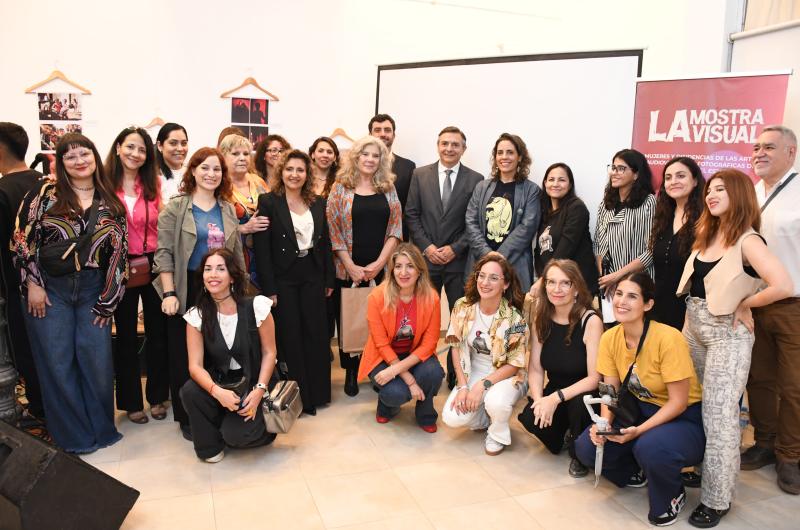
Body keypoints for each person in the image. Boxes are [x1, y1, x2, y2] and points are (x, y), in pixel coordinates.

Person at [676, 169, 793, 527]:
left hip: (727, 334)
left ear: (739, 194)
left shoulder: (749, 240)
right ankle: (704, 468)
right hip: (694, 329)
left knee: (720, 416)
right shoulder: (707, 233)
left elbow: (783, 284)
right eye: (709, 190)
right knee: (695, 405)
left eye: (720, 190)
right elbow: (697, 288)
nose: (711, 195)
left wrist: (747, 304)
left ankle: (717, 498)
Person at [13, 133, 127, 454]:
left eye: (84, 153)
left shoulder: (110, 201)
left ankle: (102, 431)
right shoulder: (45, 193)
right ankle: (75, 438)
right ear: (61, 163)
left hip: (93, 290)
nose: (79, 161)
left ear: (95, 157)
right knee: (57, 364)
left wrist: (108, 301)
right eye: (70, 156)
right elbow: (21, 238)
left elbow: (119, 254)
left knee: (97, 364)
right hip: (50, 289)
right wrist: (32, 283)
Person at [575, 272, 705, 527]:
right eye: (618, 294)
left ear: (648, 304)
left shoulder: (668, 338)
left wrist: (639, 432)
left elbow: (678, 403)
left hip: (683, 418)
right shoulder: (610, 337)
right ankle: (636, 472)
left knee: (650, 447)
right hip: (639, 411)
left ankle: (673, 495)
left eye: (632, 296)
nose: (622, 301)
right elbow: (610, 392)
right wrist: (604, 425)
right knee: (586, 447)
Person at [154, 146, 244, 440]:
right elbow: (164, 252)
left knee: (218, 351)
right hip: (187, 287)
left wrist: (242, 291)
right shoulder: (176, 208)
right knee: (185, 357)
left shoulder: (227, 208)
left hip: (220, 288)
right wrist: (169, 293)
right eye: (204, 167)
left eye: (217, 169)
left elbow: (236, 254)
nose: (211, 174)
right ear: (192, 171)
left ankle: (217, 410)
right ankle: (188, 418)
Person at [254, 150, 334, 415]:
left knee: (316, 333)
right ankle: (299, 399)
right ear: (281, 171)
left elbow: (325, 244)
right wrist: (269, 289)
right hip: (283, 278)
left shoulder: (318, 202)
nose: (294, 174)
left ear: (307, 174)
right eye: (289, 169)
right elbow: (262, 249)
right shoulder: (268, 201)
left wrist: (328, 278)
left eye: (300, 170)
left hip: (313, 273)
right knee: (291, 336)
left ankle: (319, 393)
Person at [405, 125, 483, 389]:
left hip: (459, 262)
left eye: (455, 144)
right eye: (445, 143)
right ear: (438, 145)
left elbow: (475, 221)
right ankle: (422, 368)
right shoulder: (420, 175)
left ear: (463, 148)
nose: (449, 148)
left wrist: (455, 248)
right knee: (422, 317)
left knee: (459, 319)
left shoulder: (476, 179)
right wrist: (427, 247)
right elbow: (411, 214)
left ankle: (455, 372)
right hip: (425, 261)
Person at [181, 249, 277, 463]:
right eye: (208, 269)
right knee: (190, 391)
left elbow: (270, 352)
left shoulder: (256, 306)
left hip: (256, 382)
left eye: (220, 269)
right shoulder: (197, 315)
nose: (212, 275)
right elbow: (195, 366)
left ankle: (256, 425)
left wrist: (259, 390)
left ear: (232, 277)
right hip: (223, 383)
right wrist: (217, 392)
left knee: (236, 436)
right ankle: (210, 446)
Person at [745, 125, 800, 495]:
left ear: (791, 152)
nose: (759, 153)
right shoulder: (749, 192)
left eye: (769, 147)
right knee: (759, 380)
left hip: (793, 305)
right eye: (756, 148)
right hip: (752, 304)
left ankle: (790, 455)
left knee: (794, 387)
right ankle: (764, 442)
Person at [327, 135, 402, 396]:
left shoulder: (388, 187)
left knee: (381, 322)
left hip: (380, 269)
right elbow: (333, 229)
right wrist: (350, 266)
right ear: (355, 157)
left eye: (375, 155)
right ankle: (351, 369)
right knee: (349, 318)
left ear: (382, 160)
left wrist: (380, 264)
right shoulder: (340, 187)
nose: (370, 159)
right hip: (347, 268)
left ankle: (376, 368)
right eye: (365, 154)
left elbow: (396, 229)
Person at [105, 126, 169, 424]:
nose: (136, 154)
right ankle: (131, 402)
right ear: (118, 147)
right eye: (130, 147)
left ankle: (157, 396)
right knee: (125, 336)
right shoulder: (104, 184)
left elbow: (162, 223)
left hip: (153, 264)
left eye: (142, 149)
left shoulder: (153, 184)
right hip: (119, 265)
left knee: (158, 333)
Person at [518, 259, 603, 477]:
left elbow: (594, 378)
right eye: (551, 282)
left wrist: (555, 398)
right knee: (530, 417)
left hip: (584, 393)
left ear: (577, 288)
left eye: (565, 283)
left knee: (579, 404)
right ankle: (567, 433)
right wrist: (539, 401)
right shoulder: (542, 318)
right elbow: (536, 368)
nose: (557, 289)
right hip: (556, 389)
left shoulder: (590, 320)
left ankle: (578, 453)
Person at [442, 252, 529, 456]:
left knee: (496, 402)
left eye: (493, 278)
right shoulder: (462, 306)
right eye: (481, 276)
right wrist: (463, 386)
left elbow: (514, 365)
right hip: (474, 371)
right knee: (451, 417)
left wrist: (482, 385)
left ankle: (497, 433)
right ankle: (484, 417)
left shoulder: (515, 318)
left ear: (505, 284)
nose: (485, 282)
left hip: (506, 375)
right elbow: (456, 347)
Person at [358, 243, 444, 431]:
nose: (403, 272)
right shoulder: (377, 297)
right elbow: (381, 344)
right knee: (395, 393)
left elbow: (429, 344)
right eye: (398, 266)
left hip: (415, 354)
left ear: (419, 270)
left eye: (410, 266)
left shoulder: (431, 297)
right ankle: (387, 406)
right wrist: (409, 380)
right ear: (392, 270)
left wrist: (396, 371)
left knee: (433, 373)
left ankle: (425, 412)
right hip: (383, 357)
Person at [0, 122, 45, 420]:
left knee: (25, 352)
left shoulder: (3, 191)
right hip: (54, 285)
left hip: (17, 287)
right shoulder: (47, 183)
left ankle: (41, 410)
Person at [464, 132, 541, 292]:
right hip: (480, 262)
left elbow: (527, 227)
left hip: (515, 265)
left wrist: (498, 259)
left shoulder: (531, 190)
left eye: (510, 152)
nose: (504, 157)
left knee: (514, 307)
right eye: (500, 152)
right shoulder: (481, 187)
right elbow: (470, 221)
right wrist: (487, 255)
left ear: (520, 157)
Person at [594, 149, 656, 315]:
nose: (614, 172)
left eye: (621, 168)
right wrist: (606, 278)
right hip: (609, 287)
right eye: (613, 168)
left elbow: (651, 250)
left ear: (636, 174)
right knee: (611, 328)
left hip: (637, 284)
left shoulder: (648, 202)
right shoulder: (605, 204)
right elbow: (598, 244)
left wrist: (618, 276)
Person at [648, 156, 704, 331]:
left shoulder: (707, 219)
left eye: (681, 176)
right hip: (659, 308)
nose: (673, 182)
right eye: (668, 177)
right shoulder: (663, 217)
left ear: (695, 181)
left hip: (693, 313)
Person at [534, 162, 598, 296]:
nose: (555, 184)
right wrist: (543, 279)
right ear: (545, 183)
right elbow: (540, 251)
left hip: (576, 287)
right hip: (553, 285)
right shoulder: (544, 211)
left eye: (561, 180)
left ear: (570, 185)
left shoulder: (577, 208)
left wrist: (543, 279)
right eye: (551, 179)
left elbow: (565, 249)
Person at [218, 134, 269, 287]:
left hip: (264, 255)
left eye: (246, 153)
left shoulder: (258, 181)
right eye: (235, 153)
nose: (242, 158)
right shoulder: (219, 186)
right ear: (223, 157)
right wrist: (243, 228)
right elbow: (212, 226)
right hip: (235, 257)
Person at [369, 113, 415, 240]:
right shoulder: (359, 165)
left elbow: (410, 208)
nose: (383, 134)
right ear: (370, 135)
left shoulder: (409, 167)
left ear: (393, 135)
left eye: (387, 130)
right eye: (377, 130)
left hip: (396, 237)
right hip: (363, 233)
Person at [155, 122, 189, 204]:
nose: (180, 148)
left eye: (184, 143)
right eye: (173, 143)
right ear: (160, 146)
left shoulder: (193, 173)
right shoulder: (152, 177)